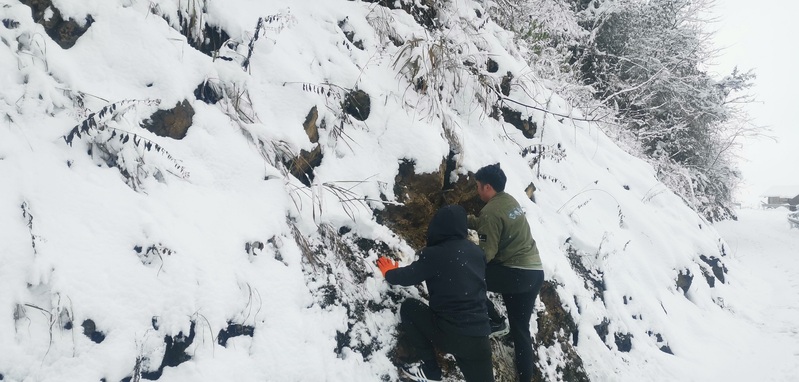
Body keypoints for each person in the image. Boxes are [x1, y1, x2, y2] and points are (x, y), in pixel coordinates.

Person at [377, 205, 494, 382]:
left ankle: (430, 370)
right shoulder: (476, 252)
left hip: (451, 334)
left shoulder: (435, 254)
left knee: (409, 308)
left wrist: (390, 273)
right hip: (481, 338)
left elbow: (408, 277)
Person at [468, 164, 544, 382]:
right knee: (521, 330)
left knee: (469, 275)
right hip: (534, 273)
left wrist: (466, 258)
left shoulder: (490, 211)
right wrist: (466, 221)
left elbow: (486, 254)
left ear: (487, 187)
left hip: (515, 274)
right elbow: (489, 224)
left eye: (478, 186)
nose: (477, 190)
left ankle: (495, 321)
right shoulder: (509, 201)